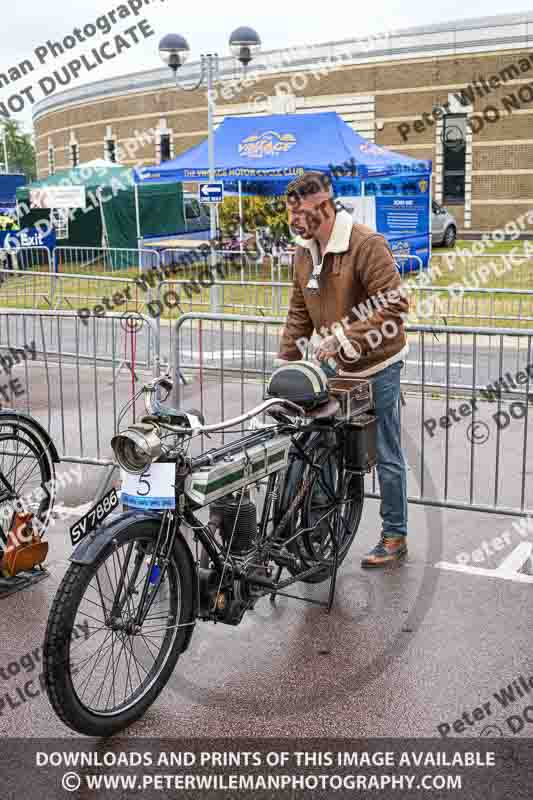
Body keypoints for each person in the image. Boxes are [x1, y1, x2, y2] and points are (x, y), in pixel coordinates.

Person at [276, 171, 409, 567]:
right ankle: (318, 527)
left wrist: (347, 335)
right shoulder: (303, 252)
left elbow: (395, 304)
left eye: (300, 214)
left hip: (377, 363)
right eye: (290, 214)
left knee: (384, 449)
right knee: (324, 447)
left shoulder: (366, 244)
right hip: (334, 365)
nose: (294, 222)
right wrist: (284, 365)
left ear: (325, 209)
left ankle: (394, 534)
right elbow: (299, 312)